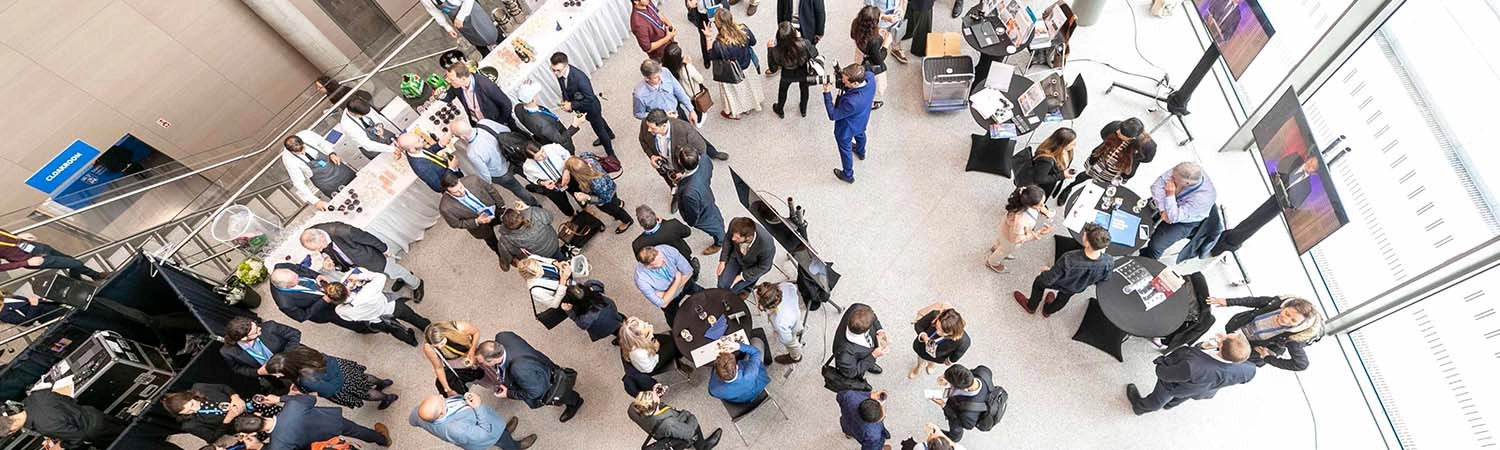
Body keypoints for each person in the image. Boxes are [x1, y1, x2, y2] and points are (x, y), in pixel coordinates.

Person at [1126, 333, 1257, 415]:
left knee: (1157, 400)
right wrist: (1204, 347)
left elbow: (1164, 374)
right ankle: (1170, 405)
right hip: (1201, 390)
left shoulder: (1192, 366)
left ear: (1222, 346)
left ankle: (1140, 408)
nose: (1223, 334)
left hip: (1175, 386)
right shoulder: (1249, 369)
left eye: (1227, 336)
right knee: (1181, 397)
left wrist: (1160, 365)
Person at [475, 332, 586, 422]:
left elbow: (535, 393)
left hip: (543, 380)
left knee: (562, 394)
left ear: (495, 360)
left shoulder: (519, 370)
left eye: (482, 362)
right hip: (538, 365)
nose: (481, 365)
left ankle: (575, 402)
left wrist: (508, 393)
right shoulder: (502, 336)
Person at [300, 222, 425, 300]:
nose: (320, 250)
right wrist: (327, 258)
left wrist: (385, 249)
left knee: (394, 271)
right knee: (378, 276)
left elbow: (368, 238)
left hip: (370, 257)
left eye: (319, 248)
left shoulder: (343, 231)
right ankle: (401, 280)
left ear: (321, 237)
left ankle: (417, 283)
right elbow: (325, 250)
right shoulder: (313, 232)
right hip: (354, 264)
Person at [1013, 222, 1113, 317]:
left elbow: (1047, 279)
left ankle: (1031, 306)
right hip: (1077, 287)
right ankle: (1048, 310)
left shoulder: (1069, 258)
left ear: (1087, 242)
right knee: (1064, 298)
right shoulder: (1109, 261)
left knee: (1039, 282)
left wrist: (1045, 271)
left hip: (1060, 282)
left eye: (1084, 235)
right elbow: (1104, 278)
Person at [1202, 295, 1324, 371]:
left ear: (1299, 324)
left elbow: (1301, 364)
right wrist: (1228, 301)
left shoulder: (1293, 337)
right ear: (1284, 307)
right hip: (1239, 330)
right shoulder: (1276, 303)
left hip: (1250, 347)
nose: (1286, 320)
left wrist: (1268, 358)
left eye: (1293, 320)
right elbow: (1255, 301)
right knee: (1225, 345)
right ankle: (1216, 346)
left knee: (1228, 358)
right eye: (1287, 313)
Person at [232, 392, 391, 450]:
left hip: (320, 444)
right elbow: (309, 399)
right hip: (330, 422)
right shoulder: (292, 406)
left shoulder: (277, 445)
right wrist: (281, 398)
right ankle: (382, 440)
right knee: (356, 430)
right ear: (258, 414)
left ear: (253, 432)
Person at [264, 345, 398, 410]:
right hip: (341, 367)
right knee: (364, 377)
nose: (276, 376)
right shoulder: (299, 351)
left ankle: (387, 398)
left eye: (276, 374)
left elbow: (328, 391)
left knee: (365, 392)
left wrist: (306, 392)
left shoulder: (306, 379)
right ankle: (383, 382)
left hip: (340, 385)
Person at [1056, 118, 1158, 203]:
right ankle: (1069, 188)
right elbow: (1103, 133)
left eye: (1122, 133)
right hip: (1102, 158)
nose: (1118, 131)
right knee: (1086, 174)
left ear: (1132, 138)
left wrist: (1131, 158)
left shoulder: (1147, 146)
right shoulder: (1116, 126)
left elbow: (1148, 159)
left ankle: (1083, 198)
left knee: (1101, 185)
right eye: (1120, 128)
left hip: (1117, 169)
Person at [322, 270, 432, 346]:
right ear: (346, 289)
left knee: (396, 331)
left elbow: (349, 318)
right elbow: (380, 277)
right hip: (391, 306)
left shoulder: (340, 310)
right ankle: (425, 326)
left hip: (377, 321)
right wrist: (358, 277)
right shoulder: (368, 291)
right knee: (411, 316)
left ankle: (411, 340)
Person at [438, 172, 522, 267]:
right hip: (479, 226)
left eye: (461, 187)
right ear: (447, 191)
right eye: (456, 192)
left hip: (494, 210)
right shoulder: (445, 208)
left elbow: (491, 190)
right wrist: (477, 221)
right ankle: (504, 257)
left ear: (459, 180)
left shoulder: (474, 180)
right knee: (492, 242)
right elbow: (456, 224)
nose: (461, 192)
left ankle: (522, 244)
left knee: (510, 225)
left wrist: (501, 206)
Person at [453, 118, 541, 207]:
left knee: (518, 189)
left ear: (462, 137)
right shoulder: (484, 123)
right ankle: (541, 186)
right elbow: (506, 130)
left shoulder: (472, 152)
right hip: (512, 158)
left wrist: (488, 185)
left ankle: (534, 204)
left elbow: (484, 174)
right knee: (528, 174)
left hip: (501, 174)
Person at [1, 388, 126, 449]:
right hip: (92, 413)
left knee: (128, 440)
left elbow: (79, 437)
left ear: (10, 431)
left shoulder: (45, 426)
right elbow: (71, 401)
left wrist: (60, 446)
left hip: (96, 430)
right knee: (127, 426)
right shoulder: (34, 397)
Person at [1141, 162, 1217, 259]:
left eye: (1174, 178)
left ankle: (1145, 261)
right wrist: (1163, 209)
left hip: (1183, 220)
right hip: (1166, 204)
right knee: (1137, 214)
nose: (1171, 178)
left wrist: (1170, 195)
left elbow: (1173, 217)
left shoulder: (1203, 198)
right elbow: (1156, 186)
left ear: (1187, 183)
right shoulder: (1181, 170)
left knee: (1156, 246)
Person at [411, 393, 537, 450]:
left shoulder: (420, 413)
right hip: (489, 434)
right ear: (441, 414)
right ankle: (514, 447)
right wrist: (477, 406)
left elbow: (412, 420)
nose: (441, 396)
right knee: (501, 439)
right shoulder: (456, 429)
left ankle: (504, 430)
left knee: (501, 429)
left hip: (481, 427)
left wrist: (452, 395)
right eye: (441, 400)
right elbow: (485, 433)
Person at [640, 109, 728, 189]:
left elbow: (701, 149)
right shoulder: (646, 123)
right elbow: (642, 140)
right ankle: (674, 191)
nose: (648, 130)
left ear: (663, 125)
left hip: (680, 168)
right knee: (671, 182)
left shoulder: (685, 131)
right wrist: (652, 156)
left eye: (653, 128)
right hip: (664, 167)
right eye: (649, 127)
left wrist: (684, 173)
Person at [551, 53, 616, 155]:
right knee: (599, 120)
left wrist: (571, 105)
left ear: (566, 65)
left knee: (599, 130)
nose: (555, 73)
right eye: (553, 69)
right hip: (581, 106)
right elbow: (564, 88)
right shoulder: (560, 73)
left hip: (591, 108)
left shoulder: (580, 79)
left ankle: (611, 154)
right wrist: (566, 101)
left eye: (557, 70)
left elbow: (590, 99)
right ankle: (610, 134)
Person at [705, 9, 764, 120]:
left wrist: (708, 37)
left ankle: (736, 113)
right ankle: (749, 107)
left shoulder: (719, 44)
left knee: (735, 93)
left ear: (717, 24)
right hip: (747, 66)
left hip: (732, 73)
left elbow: (711, 56)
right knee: (748, 88)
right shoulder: (743, 29)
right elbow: (753, 42)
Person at [162, 383, 269, 443]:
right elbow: (212, 438)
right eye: (188, 412)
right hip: (237, 425)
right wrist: (227, 420)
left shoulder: (199, 387)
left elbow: (224, 387)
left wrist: (235, 397)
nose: (194, 410)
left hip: (244, 406)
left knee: (270, 407)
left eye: (192, 405)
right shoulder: (190, 425)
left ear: (190, 396)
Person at [825, 63, 877, 183]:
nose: (844, 83)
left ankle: (848, 174)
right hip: (862, 119)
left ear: (855, 83)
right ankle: (861, 151)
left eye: (846, 82)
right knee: (861, 135)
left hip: (846, 128)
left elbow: (833, 115)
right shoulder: (869, 77)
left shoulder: (852, 102)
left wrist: (826, 93)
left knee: (845, 149)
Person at [280, 133, 356, 212]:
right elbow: (298, 182)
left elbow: (322, 143)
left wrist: (331, 153)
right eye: (298, 153)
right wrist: (315, 201)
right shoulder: (288, 159)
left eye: (303, 149)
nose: (302, 153)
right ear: (291, 151)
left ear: (303, 142)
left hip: (340, 170)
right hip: (327, 184)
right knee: (347, 203)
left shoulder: (307, 135)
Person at [629, 386, 723, 449]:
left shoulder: (632, 409)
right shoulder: (669, 424)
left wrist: (654, 395)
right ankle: (703, 447)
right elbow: (689, 432)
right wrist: (690, 416)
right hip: (673, 430)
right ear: (656, 404)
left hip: (657, 432)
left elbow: (651, 408)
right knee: (694, 429)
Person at [984, 186, 1053, 273]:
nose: (1043, 206)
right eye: (1040, 205)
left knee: (1000, 242)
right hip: (1010, 239)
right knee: (1003, 251)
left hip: (1005, 229)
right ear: (1031, 205)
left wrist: (1045, 211)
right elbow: (1016, 239)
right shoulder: (1020, 220)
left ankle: (995, 248)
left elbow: (1039, 207)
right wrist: (1039, 233)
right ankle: (992, 263)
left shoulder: (1023, 200)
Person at [674, 151, 727, 254]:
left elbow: (693, 213)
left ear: (680, 162)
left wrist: (692, 223)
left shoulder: (689, 193)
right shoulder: (705, 159)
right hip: (705, 193)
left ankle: (720, 242)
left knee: (715, 226)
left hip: (703, 211)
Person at [0, 229, 107, 281]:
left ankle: (76, 278)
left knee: (69, 259)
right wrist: (26, 263)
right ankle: (96, 275)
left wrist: (17, 236)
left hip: (33, 246)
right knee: (76, 263)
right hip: (31, 259)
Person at [513, 81, 589, 153]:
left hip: (545, 135)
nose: (537, 95)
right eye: (535, 94)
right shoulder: (543, 124)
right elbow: (561, 140)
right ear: (533, 100)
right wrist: (575, 124)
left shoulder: (518, 108)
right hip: (561, 145)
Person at [564, 155, 634, 233]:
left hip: (606, 199)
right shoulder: (588, 159)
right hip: (610, 186)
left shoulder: (595, 184)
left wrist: (587, 197)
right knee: (614, 201)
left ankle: (627, 221)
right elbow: (588, 153)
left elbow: (605, 199)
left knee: (613, 210)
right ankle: (619, 203)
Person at [635, 245, 701, 326]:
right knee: (675, 322)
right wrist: (677, 280)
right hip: (672, 300)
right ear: (648, 266)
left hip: (685, 285)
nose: (664, 261)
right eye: (661, 263)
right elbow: (663, 304)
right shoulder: (641, 280)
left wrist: (666, 295)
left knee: (706, 296)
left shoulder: (666, 250)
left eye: (661, 257)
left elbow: (688, 272)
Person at [220, 317, 302, 382]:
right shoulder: (227, 352)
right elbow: (238, 369)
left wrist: (284, 358)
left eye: (256, 325)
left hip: (295, 358)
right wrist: (258, 372)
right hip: (274, 375)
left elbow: (294, 334)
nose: (259, 328)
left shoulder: (270, 326)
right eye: (255, 331)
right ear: (244, 338)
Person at [766, 22, 819, 118]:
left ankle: (780, 109)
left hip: (787, 74)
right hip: (803, 71)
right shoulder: (804, 43)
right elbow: (815, 53)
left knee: (783, 90)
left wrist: (769, 50)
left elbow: (773, 69)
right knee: (804, 89)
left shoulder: (775, 50)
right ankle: (803, 109)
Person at [619, 317, 684, 394]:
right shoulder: (640, 353)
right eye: (644, 326)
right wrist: (655, 350)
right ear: (641, 337)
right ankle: (680, 352)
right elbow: (649, 368)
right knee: (674, 343)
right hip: (653, 363)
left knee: (670, 339)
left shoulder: (630, 341)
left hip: (649, 350)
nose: (647, 323)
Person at [444, 63, 517, 130]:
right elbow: (448, 97)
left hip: (496, 122)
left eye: (451, 79)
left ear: (463, 79)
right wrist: (438, 95)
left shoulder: (485, 85)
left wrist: (500, 123)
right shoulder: (456, 86)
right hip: (479, 123)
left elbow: (506, 104)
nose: (448, 81)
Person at [423, 320, 486, 396]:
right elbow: (438, 368)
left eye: (442, 343)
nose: (440, 347)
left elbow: (476, 332)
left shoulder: (459, 328)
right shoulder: (429, 348)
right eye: (436, 346)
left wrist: (472, 350)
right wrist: (447, 389)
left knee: (487, 373)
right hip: (457, 366)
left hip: (472, 355)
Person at [933, 364, 992, 442]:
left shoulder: (968, 416)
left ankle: (952, 438)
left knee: (955, 432)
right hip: (978, 398)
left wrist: (943, 405)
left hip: (962, 414)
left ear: (963, 389)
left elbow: (957, 419)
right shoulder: (983, 371)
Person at [910, 303, 970, 379]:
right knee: (920, 358)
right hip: (922, 349)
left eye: (943, 332)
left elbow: (955, 356)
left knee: (933, 361)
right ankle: (919, 367)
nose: (938, 332)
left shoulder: (964, 342)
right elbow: (918, 325)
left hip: (938, 357)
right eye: (937, 327)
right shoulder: (934, 315)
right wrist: (924, 336)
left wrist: (947, 361)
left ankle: (932, 365)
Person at [519, 141, 579, 217]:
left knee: (578, 191)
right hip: (552, 186)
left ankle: (585, 206)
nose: (543, 156)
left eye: (542, 151)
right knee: (562, 204)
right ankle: (572, 215)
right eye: (538, 157)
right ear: (532, 159)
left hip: (568, 175)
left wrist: (567, 171)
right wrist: (543, 183)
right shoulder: (528, 167)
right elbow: (532, 178)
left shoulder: (553, 148)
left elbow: (568, 156)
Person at [1014, 128, 1077, 199]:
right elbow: (1039, 179)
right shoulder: (1046, 160)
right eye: (1072, 144)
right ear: (1062, 144)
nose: (1075, 146)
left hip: (1052, 181)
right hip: (1042, 187)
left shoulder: (1068, 150)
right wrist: (1062, 175)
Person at [718, 217, 774, 294]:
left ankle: (746, 290)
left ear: (748, 238)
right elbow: (728, 239)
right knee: (722, 285)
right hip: (737, 257)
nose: (733, 238)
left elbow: (764, 266)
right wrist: (723, 261)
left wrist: (742, 276)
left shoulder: (766, 244)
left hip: (754, 266)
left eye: (737, 237)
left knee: (734, 289)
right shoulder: (735, 223)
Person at [833, 303, 890, 379]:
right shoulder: (844, 356)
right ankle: (867, 364)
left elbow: (872, 316)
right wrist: (873, 356)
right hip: (856, 362)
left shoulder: (857, 308)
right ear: (866, 330)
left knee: (867, 356)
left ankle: (869, 364)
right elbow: (852, 372)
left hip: (865, 353)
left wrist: (880, 331)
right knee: (862, 367)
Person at [423, 0, 500, 56]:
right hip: (458, 21)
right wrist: (447, 27)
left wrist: (461, 17)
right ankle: (487, 55)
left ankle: (503, 41)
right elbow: (434, 11)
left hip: (471, 11)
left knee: (490, 32)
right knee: (475, 39)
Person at [633, 59, 700, 123]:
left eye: (660, 74)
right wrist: (662, 115)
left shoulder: (665, 72)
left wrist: (691, 110)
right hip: (661, 122)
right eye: (656, 77)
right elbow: (639, 114)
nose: (661, 78)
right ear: (647, 78)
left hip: (677, 111)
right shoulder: (639, 95)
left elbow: (678, 90)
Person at [632, 205, 698, 269]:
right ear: (654, 215)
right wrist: (664, 222)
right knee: (689, 268)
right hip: (683, 255)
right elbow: (687, 232)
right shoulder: (673, 224)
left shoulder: (637, 244)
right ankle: (694, 273)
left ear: (640, 224)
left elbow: (642, 260)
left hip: (663, 266)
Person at [660, 44, 711, 125]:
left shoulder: (664, 69)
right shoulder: (687, 68)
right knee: (696, 107)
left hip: (679, 94)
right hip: (691, 93)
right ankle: (698, 120)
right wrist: (690, 64)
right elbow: (700, 79)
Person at [754, 281, 803, 364]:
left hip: (788, 324)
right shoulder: (786, 285)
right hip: (795, 313)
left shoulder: (779, 321)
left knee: (792, 343)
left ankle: (796, 357)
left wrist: (779, 335)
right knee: (797, 326)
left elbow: (786, 339)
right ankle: (799, 329)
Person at [398, 132, 464, 193]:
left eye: (419, 137)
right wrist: (451, 168)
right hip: (454, 187)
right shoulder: (422, 168)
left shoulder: (413, 150)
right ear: (412, 149)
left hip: (456, 176)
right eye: (419, 141)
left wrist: (440, 144)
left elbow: (428, 153)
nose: (422, 139)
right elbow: (438, 187)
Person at [851, 7, 890, 109]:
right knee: (869, 85)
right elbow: (878, 60)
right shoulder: (874, 41)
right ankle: (869, 103)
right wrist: (886, 44)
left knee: (860, 79)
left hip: (859, 55)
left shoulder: (855, 24)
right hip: (870, 63)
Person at [499, 201, 565, 259]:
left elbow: (514, 251)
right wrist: (527, 208)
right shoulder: (535, 214)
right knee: (560, 257)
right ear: (517, 212)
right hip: (553, 242)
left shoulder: (507, 237)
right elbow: (550, 217)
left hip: (541, 255)